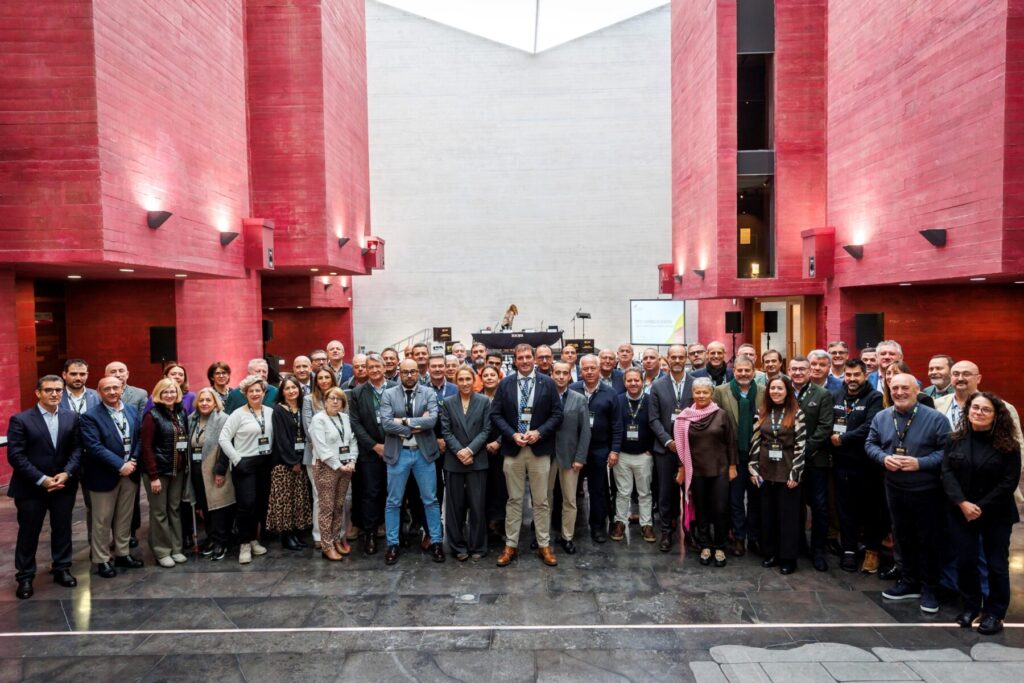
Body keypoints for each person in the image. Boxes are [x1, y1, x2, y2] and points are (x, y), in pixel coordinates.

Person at [866, 373, 950, 614]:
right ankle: (908, 581)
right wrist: (884, 458)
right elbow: (870, 444)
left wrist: (920, 463)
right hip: (894, 488)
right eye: (895, 389)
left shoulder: (936, 419)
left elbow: (948, 452)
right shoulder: (882, 417)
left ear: (917, 391)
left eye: (905, 388)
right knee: (902, 537)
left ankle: (930, 588)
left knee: (928, 540)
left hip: (926, 490)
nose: (900, 393)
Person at [942, 392, 1022, 635]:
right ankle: (970, 607)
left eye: (985, 410)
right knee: (965, 562)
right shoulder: (955, 439)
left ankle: (995, 614)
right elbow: (946, 473)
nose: (978, 412)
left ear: (996, 415)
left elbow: (1008, 483)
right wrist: (963, 504)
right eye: (974, 408)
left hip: (995, 514)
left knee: (996, 565)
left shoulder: (1009, 445)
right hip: (961, 512)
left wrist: (980, 507)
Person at [6, 375, 81, 599]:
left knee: (62, 528)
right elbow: (16, 456)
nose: (55, 394)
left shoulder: (72, 417)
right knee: (29, 532)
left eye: (58, 390)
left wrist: (66, 474)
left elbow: (77, 450)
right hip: (31, 488)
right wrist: (42, 479)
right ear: (38, 393)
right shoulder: (21, 420)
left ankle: (62, 568)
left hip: (63, 485)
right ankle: (26, 576)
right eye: (49, 390)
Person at [490, 344, 564, 567]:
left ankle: (544, 545)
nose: (524, 361)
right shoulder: (505, 384)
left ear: (534, 359)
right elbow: (496, 414)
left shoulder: (548, 383)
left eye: (527, 357)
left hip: (538, 449)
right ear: (514, 360)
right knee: (513, 500)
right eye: (519, 357)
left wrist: (539, 432)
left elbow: (557, 414)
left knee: (541, 501)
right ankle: (510, 545)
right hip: (513, 450)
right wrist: (512, 434)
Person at [380, 359, 445, 564]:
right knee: (393, 501)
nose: (409, 375)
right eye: (405, 372)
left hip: (423, 454)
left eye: (413, 371)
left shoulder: (428, 393)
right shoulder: (389, 394)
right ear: (400, 373)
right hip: (398, 454)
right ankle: (392, 544)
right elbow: (386, 424)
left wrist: (404, 421)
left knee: (431, 500)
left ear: (418, 372)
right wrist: (415, 425)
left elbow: (432, 421)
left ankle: (436, 541)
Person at [648, 344, 710, 551]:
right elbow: (653, 419)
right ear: (667, 358)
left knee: (691, 492)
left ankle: (691, 531)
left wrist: (685, 442)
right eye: (673, 357)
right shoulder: (657, 386)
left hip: (691, 448)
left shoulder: (696, 384)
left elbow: (704, 414)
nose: (676, 360)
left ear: (686, 359)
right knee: (665, 492)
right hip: (665, 449)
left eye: (680, 357)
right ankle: (666, 531)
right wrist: (668, 441)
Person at [80, 376, 143, 578]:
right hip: (103, 476)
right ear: (99, 392)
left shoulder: (132, 411)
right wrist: (120, 465)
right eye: (107, 389)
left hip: (130, 473)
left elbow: (140, 438)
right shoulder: (90, 417)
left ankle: (123, 553)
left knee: (125, 517)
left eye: (116, 387)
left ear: (122, 389)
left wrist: (132, 460)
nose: (112, 392)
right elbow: (94, 447)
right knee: (102, 520)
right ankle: (102, 559)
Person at [828, 358, 885, 573]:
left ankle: (872, 551)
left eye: (856, 375)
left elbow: (871, 426)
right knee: (845, 509)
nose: (852, 379)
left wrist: (843, 439)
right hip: (841, 464)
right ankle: (849, 550)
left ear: (864, 375)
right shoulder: (836, 396)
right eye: (848, 375)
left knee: (870, 511)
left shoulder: (874, 397)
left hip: (866, 465)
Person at [675, 377, 737, 566]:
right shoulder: (685, 416)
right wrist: (682, 469)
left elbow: (731, 443)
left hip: (720, 469)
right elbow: (681, 446)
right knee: (701, 510)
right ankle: (705, 546)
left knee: (719, 510)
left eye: (705, 392)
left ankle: (720, 547)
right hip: (696, 471)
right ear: (693, 394)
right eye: (697, 392)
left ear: (712, 394)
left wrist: (733, 467)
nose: (701, 395)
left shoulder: (722, 415)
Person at [749, 376, 806, 575]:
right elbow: (756, 441)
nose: (775, 392)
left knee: (787, 517)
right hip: (765, 471)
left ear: (787, 391)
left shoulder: (797, 413)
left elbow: (801, 445)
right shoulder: (762, 411)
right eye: (772, 388)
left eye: (780, 388)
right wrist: (753, 468)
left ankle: (788, 558)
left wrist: (796, 473)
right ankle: (771, 553)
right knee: (768, 515)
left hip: (787, 471)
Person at [218, 375, 274, 564]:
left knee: (259, 504)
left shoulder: (270, 412)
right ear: (245, 393)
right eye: (251, 391)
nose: (255, 393)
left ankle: (253, 539)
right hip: (245, 464)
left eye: (258, 390)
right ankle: (244, 545)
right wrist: (237, 459)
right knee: (246, 505)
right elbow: (223, 439)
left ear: (264, 392)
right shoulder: (238, 414)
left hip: (265, 463)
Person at [788, 355, 836, 571]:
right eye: (794, 369)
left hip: (814, 459)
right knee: (794, 506)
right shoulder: (782, 390)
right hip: (788, 462)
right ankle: (798, 546)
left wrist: (803, 450)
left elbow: (825, 427)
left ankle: (818, 551)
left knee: (819, 506)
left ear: (809, 372)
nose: (798, 373)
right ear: (788, 370)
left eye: (802, 369)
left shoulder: (822, 394)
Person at [713, 356, 763, 557]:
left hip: (758, 457)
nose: (743, 374)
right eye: (739, 370)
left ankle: (754, 537)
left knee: (755, 499)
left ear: (753, 372)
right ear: (733, 372)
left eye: (747, 371)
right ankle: (739, 537)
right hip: (732, 457)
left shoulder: (764, 392)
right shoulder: (721, 391)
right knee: (734, 500)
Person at [440, 367, 492, 560]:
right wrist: (460, 451)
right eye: (460, 379)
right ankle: (457, 546)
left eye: (468, 379)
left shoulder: (484, 401)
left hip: (477, 460)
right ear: (456, 381)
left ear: (474, 380)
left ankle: (478, 546)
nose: (464, 383)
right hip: (454, 460)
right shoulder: (448, 403)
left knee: (477, 505)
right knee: (454, 507)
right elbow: (445, 431)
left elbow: (487, 430)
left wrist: (470, 450)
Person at [570, 354, 623, 543]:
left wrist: (614, 450)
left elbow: (617, 425)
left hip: (599, 449)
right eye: (586, 368)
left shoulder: (610, 394)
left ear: (599, 369)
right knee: (569, 491)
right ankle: (568, 528)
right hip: (575, 450)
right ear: (580, 370)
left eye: (593, 368)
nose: (590, 372)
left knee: (598, 490)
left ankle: (598, 527)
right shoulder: (572, 390)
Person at [140, 378, 190, 568]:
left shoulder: (181, 412)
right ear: (158, 394)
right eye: (165, 392)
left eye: (172, 391)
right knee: (159, 512)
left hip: (177, 471)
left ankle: (176, 549)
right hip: (158, 473)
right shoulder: (152, 416)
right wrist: (153, 476)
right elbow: (146, 447)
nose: (169, 395)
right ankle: (162, 551)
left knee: (174, 510)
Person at [348, 353, 394, 555]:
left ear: (385, 368)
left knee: (394, 493)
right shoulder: (357, 392)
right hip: (369, 452)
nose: (374, 370)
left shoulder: (396, 388)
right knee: (371, 493)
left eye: (378, 366)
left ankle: (394, 534)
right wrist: (375, 446)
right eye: (370, 367)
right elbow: (355, 423)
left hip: (395, 449)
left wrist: (389, 445)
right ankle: (370, 534)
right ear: (365, 370)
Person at [309, 387, 358, 561]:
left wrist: (352, 460)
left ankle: (336, 540)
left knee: (339, 505)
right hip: (326, 467)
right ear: (325, 401)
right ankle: (327, 545)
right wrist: (338, 465)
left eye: (339, 399)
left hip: (346, 467)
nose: (335, 401)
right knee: (327, 508)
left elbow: (352, 440)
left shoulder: (345, 418)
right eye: (331, 398)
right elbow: (321, 447)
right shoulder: (318, 419)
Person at [549, 361, 591, 554]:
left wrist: (580, 457)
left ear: (570, 376)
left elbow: (585, 432)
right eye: (557, 372)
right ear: (551, 374)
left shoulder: (579, 398)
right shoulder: (544, 397)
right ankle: (543, 538)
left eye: (564, 373)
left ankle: (567, 536)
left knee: (570, 499)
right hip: (546, 456)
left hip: (570, 456)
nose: (560, 376)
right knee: (543, 499)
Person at [268, 376, 313, 551]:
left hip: (301, 460)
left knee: (297, 500)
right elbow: (282, 440)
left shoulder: (302, 408)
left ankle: (295, 534)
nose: (292, 391)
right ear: (282, 392)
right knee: (284, 501)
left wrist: (300, 460)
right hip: (284, 463)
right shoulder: (278, 410)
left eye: (294, 388)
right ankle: (286, 537)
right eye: (287, 388)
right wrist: (293, 461)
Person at [612, 368, 657, 543]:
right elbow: (614, 426)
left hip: (644, 455)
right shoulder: (618, 400)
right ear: (624, 383)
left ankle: (647, 524)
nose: (633, 383)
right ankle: (620, 522)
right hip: (622, 455)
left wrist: (650, 450)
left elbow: (655, 425)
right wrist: (615, 450)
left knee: (645, 492)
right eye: (629, 380)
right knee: (623, 492)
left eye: (636, 380)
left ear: (642, 381)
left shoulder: (650, 400)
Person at [192, 387, 234, 561]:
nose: (204, 403)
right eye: (201, 400)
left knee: (219, 507)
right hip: (196, 470)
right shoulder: (192, 419)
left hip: (215, 469)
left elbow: (226, 446)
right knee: (205, 507)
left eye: (208, 400)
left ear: (215, 402)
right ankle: (211, 538)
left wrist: (220, 471)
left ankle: (221, 542)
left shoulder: (223, 419)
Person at [301, 367, 338, 549]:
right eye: (320, 378)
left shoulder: (339, 398)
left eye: (327, 377)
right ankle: (319, 536)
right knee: (320, 496)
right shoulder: (309, 400)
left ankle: (335, 534)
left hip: (339, 455)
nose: (324, 380)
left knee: (338, 496)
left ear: (333, 379)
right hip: (316, 456)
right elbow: (309, 430)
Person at [479, 365, 506, 538]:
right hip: (480, 449)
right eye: (486, 375)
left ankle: (501, 522)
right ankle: (485, 522)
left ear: (499, 377)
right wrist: (482, 444)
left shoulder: (506, 397)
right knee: (484, 488)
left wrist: (498, 442)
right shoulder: (476, 398)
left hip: (503, 448)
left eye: (492, 375)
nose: (489, 378)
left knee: (502, 488)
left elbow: (513, 420)